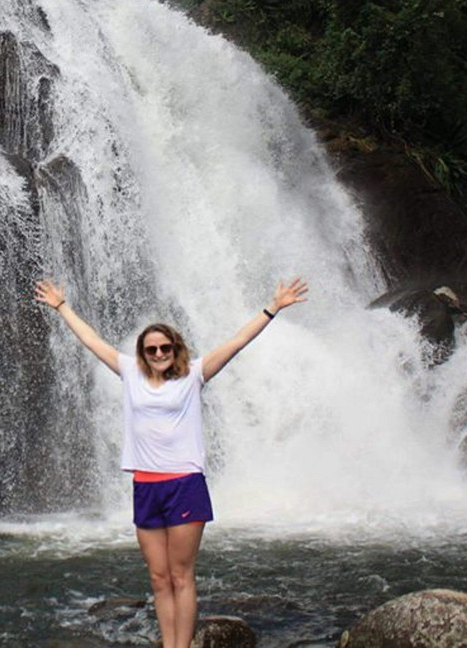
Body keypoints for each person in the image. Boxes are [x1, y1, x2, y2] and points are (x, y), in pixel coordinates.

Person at [34, 277, 309, 648]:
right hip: (145, 485)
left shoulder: (194, 374)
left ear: (175, 349)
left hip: (184, 485)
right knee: (159, 578)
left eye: (165, 347)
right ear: (143, 353)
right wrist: (61, 306)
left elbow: (237, 342)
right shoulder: (130, 372)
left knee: (182, 575)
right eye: (151, 349)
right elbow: (92, 341)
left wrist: (273, 307)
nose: (159, 353)